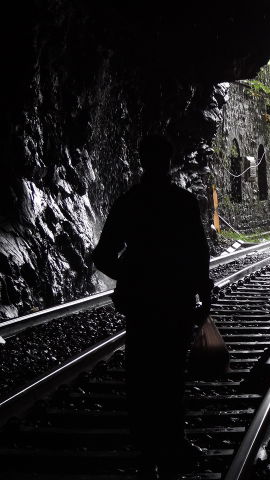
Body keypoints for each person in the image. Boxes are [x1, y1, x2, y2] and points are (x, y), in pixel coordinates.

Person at [92, 134, 210, 477]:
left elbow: (102, 256)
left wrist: (128, 277)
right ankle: (174, 442)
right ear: (170, 163)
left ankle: (146, 451)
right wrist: (204, 295)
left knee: (141, 374)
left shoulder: (129, 202)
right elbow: (198, 254)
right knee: (172, 374)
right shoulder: (183, 202)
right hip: (175, 300)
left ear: (143, 161)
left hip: (142, 304)